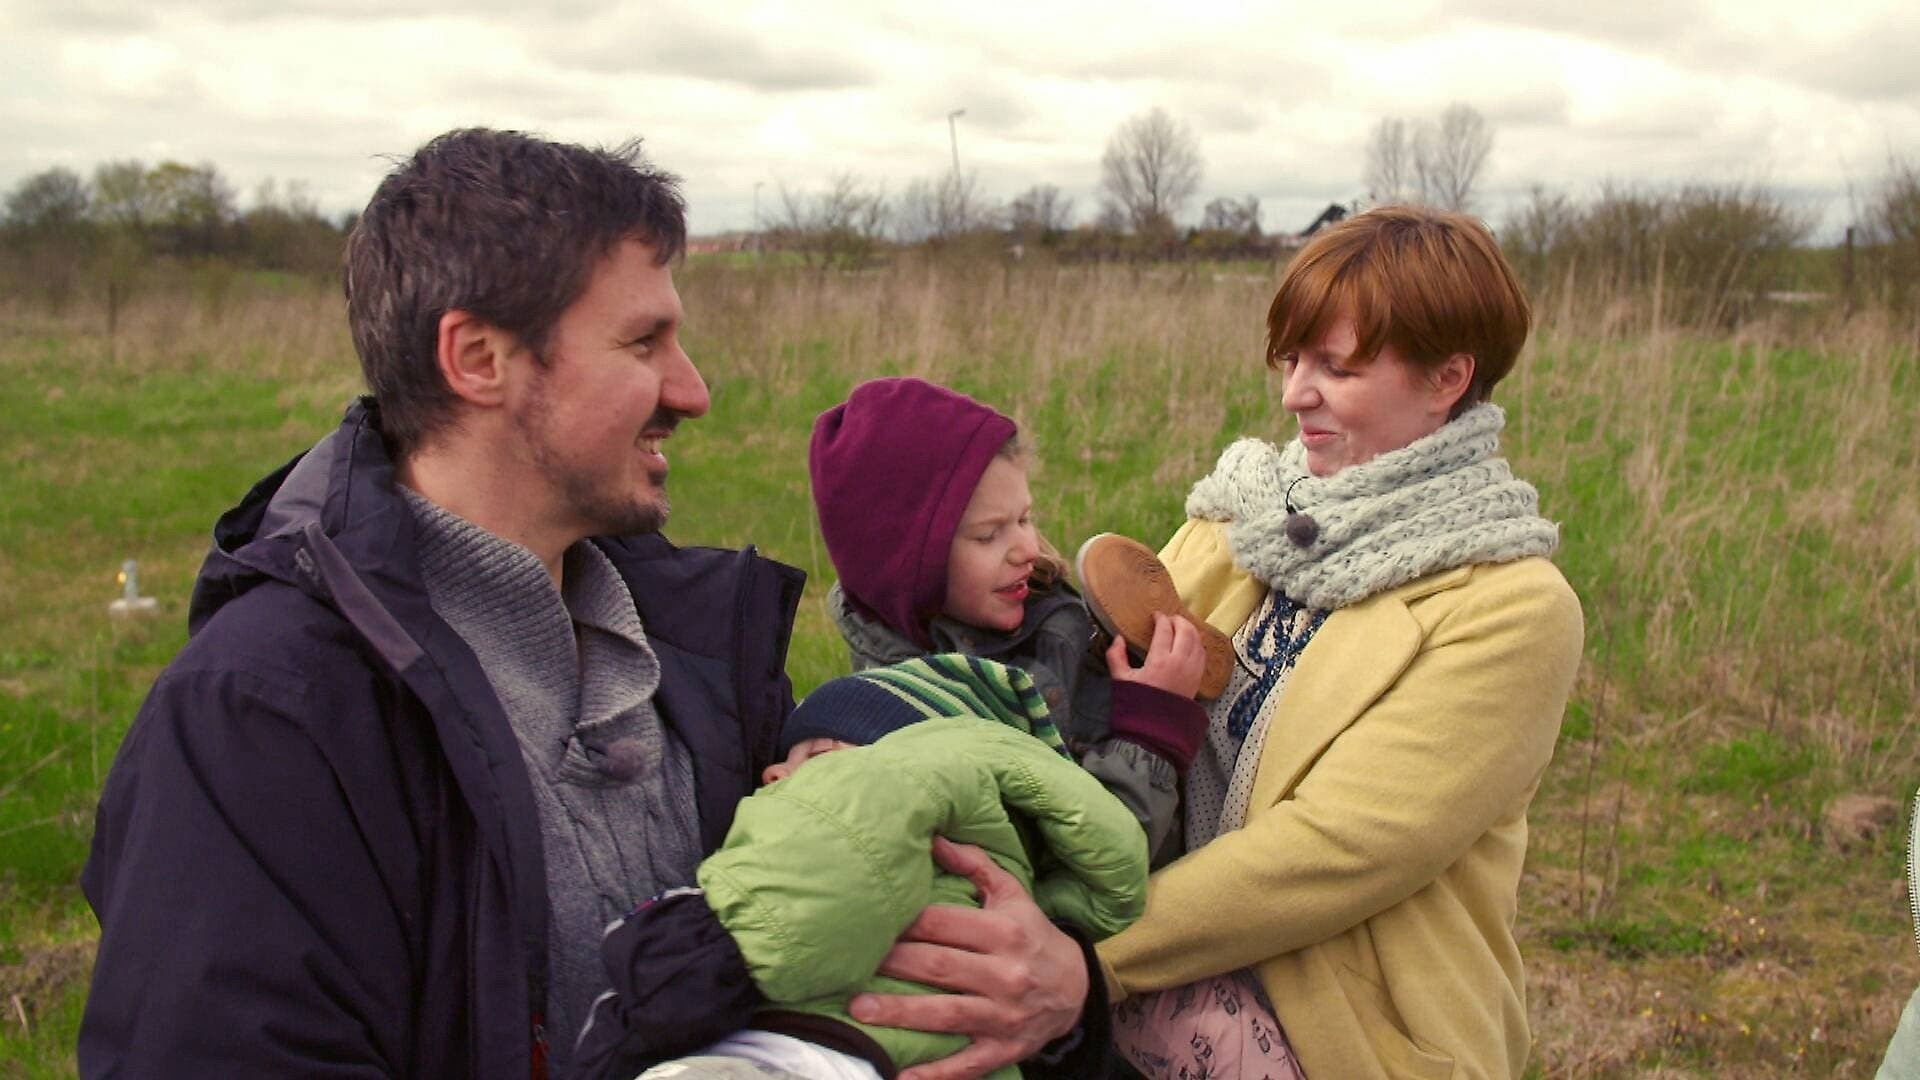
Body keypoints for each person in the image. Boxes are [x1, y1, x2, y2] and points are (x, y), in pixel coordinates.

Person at [77, 128, 1093, 1079]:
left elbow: (813, 951)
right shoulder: (266, 713)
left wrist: (1056, 989)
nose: (694, 392)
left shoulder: (701, 649)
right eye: (643, 342)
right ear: (477, 359)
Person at [1095, 205, 1586, 1079]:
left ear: (1447, 379)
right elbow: (1097, 685)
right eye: (1291, 360)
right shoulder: (1248, 510)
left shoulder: (1511, 608)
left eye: (1336, 365)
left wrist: (1086, 962)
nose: (1293, 394)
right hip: (1151, 969)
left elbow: (1336, 848)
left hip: (1346, 1034)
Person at [578, 654, 1149, 1080]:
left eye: (817, 757)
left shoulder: (882, 790)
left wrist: (691, 957)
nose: (773, 775)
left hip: (805, 1053)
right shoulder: (1003, 896)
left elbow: (826, 863)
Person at [807, 376, 1228, 862]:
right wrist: (1152, 724)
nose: (1028, 549)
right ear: (906, 567)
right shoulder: (931, 730)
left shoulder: (1027, 606)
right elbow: (1090, 861)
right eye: (989, 535)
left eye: (1025, 518)